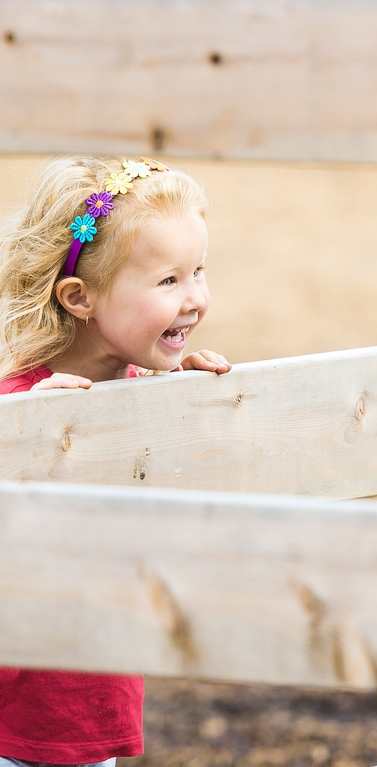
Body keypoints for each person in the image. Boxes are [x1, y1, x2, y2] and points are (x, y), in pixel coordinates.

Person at [0, 156, 230, 766]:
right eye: (168, 282)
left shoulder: (145, 397)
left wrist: (201, 411)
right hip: (11, 728)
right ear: (80, 298)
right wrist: (25, 438)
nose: (196, 299)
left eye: (199, 272)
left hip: (90, 719)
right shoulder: (20, 403)